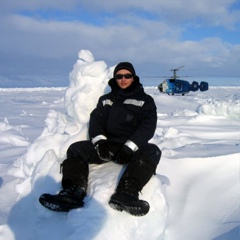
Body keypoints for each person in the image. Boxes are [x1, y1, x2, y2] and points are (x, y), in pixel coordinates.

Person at [39, 62, 161, 216]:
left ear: (133, 77)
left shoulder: (145, 100)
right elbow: (96, 122)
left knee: (153, 151)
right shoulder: (105, 99)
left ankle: (126, 194)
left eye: (127, 76)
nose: (123, 79)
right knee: (76, 149)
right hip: (108, 147)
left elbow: (147, 127)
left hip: (130, 149)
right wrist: (100, 143)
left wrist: (130, 147)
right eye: (119, 76)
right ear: (115, 78)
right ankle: (73, 193)